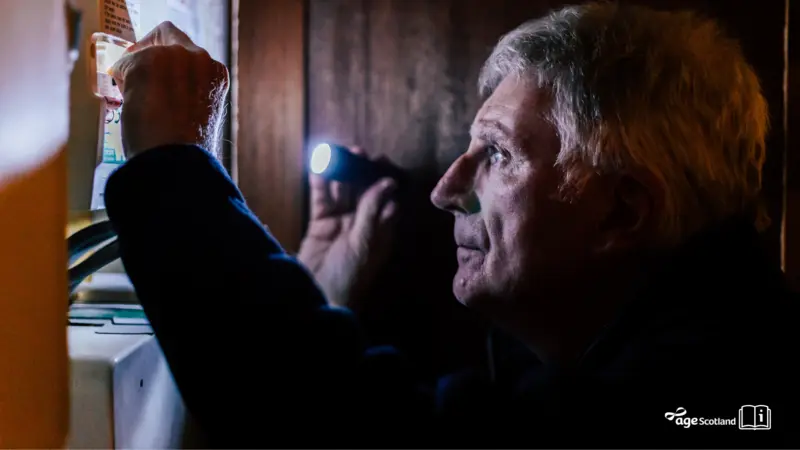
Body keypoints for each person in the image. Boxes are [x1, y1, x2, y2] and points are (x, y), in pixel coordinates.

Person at [105, 3, 799, 448]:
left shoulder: (707, 397)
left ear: (621, 209)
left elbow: (362, 431)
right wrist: (324, 288)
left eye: (496, 153)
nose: (445, 190)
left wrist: (174, 162)